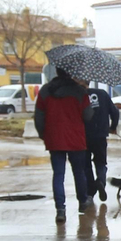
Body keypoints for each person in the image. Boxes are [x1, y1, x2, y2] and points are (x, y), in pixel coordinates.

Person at [34, 71, 94, 222]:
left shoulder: (45, 90)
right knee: (79, 172)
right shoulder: (80, 91)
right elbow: (87, 116)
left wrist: (44, 135)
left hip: (54, 138)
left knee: (58, 175)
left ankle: (60, 209)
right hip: (76, 138)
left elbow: (39, 117)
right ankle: (82, 202)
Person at [84, 84, 120, 205]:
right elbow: (115, 112)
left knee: (86, 165)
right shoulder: (102, 94)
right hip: (100, 135)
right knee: (101, 162)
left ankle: (90, 193)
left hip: (83, 136)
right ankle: (100, 180)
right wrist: (113, 127)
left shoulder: (77, 95)